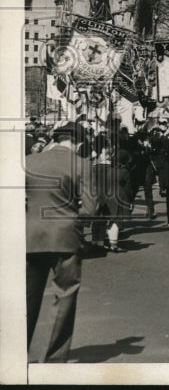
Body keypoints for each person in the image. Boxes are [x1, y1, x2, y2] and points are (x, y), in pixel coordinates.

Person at [26, 121, 98, 363]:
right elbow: (91, 208)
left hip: (30, 236)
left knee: (26, 297)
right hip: (66, 237)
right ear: (78, 142)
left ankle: (14, 352)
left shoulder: (29, 161)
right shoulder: (82, 164)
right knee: (65, 296)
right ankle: (55, 358)